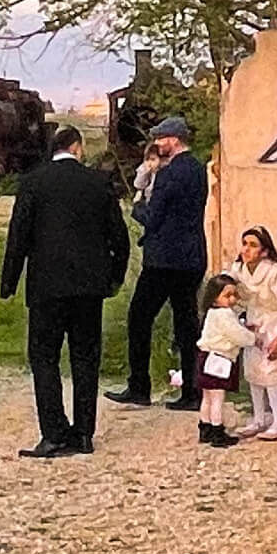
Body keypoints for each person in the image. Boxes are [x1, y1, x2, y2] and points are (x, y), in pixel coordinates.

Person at [1, 125, 131, 457]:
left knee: (44, 357)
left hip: (47, 285)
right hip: (89, 287)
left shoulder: (33, 182)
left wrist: (9, 282)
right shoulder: (98, 183)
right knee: (86, 357)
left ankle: (54, 432)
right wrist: (113, 279)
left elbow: (19, 236)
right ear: (77, 147)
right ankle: (84, 433)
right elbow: (119, 237)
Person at [114, 116, 209, 411]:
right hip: (192, 255)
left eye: (160, 139)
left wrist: (137, 208)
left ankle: (139, 385)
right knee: (187, 322)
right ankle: (193, 390)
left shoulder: (170, 174)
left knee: (140, 317)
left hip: (165, 260)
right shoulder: (197, 169)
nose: (156, 144)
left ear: (173, 139)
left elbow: (153, 218)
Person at [228, 227, 277, 441]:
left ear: (265, 251)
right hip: (255, 322)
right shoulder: (238, 270)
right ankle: (258, 418)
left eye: (253, 245)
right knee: (253, 372)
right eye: (245, 244)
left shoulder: (273, 272)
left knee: (271, 373)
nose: (246, 249)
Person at [194, 275, 250, 447]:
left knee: (207, 397)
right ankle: (218, 432)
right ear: (215, 296)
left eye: (234, 295)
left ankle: (205, 427)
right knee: (218, 397)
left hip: (205, 357)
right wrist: (253, 338)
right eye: (227, 295)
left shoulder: (211, 313)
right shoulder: (225, 315)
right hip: (220, 359)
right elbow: (237, 335)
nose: (232, 299)